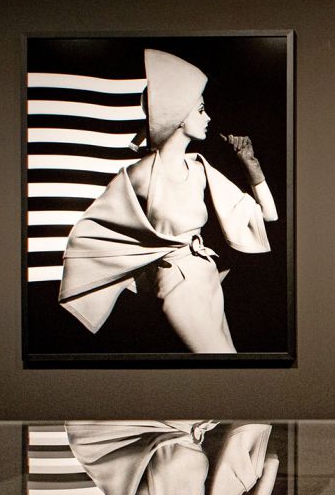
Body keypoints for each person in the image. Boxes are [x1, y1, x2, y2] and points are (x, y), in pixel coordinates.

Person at [58, 49, 278, 353]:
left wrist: (252, 167)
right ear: (178, 115)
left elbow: (268, 216)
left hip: (207, 278)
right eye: (200, 109)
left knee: (229, 369)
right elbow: (90, 233)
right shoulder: (140, 175)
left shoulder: (200, 169)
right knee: (220, 367)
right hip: (176, 288)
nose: (208, 117)